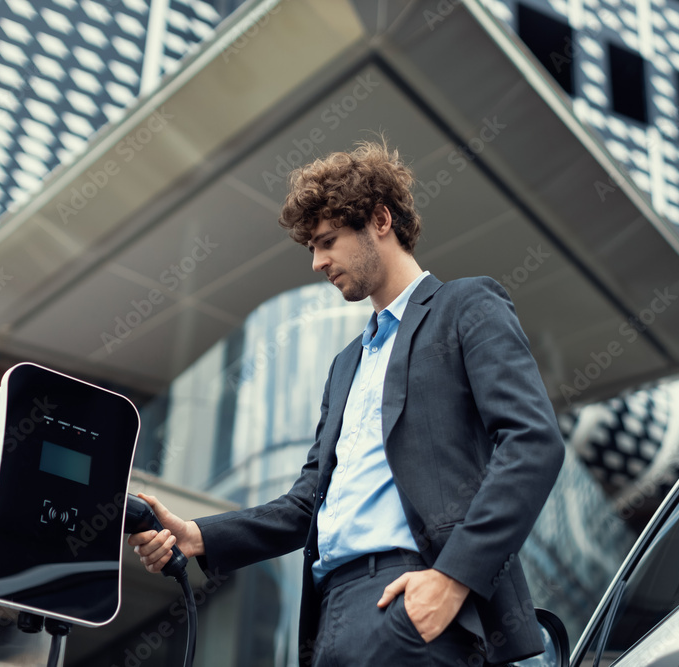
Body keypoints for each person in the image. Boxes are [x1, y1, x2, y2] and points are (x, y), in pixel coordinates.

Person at [128, 140, 565, 666]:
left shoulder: (465, 306)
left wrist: (454, 579)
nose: (317, 262)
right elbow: (304, 503)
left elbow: (533, 442)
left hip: (414, 603)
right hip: (328, 618)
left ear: (380, 219)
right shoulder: (345, 366)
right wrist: (199, 535)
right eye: (312, 247)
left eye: (328, 241)